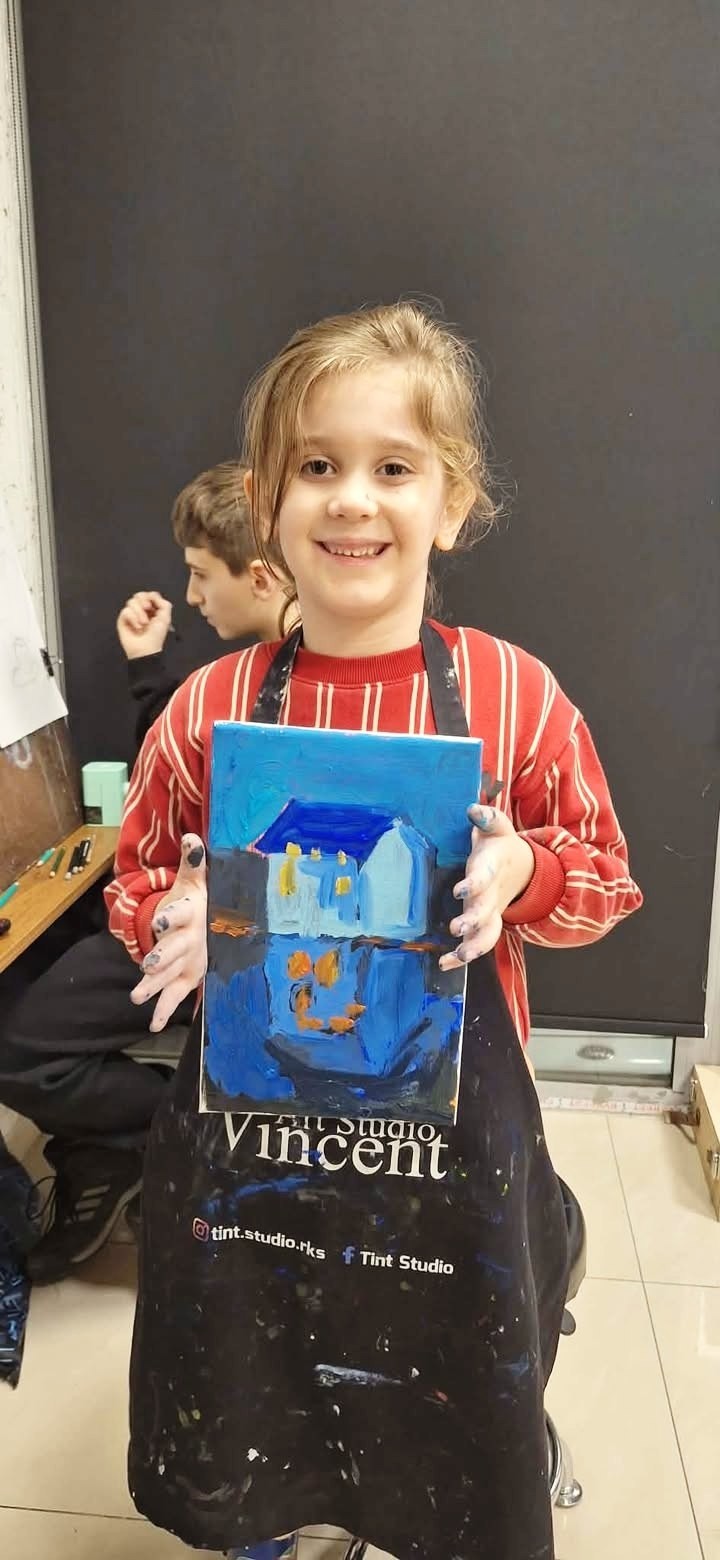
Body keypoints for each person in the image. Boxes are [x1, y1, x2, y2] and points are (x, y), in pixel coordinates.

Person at [106, 304, 642, 1560]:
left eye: (394, 467)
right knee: (265, 1361)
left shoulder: (514, 697)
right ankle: (280, 1517)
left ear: (452, 504)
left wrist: (521, 872)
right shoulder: (207, 709)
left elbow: (606, 883)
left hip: (448, 1144)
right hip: (258, 1140)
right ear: (266, 503)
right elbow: (134, 878)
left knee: (449, 1378)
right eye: (317, 465)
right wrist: (176, 913)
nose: (353, 498)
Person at [0, 463, 292, 1285]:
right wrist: (147, 665)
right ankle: (114, 1145)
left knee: (22, 1050)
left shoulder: (276, 690)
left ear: (258, 576)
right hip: (165, 899)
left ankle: (200, 1132)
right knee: (31, 999)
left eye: (201, 575)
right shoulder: (221, 687)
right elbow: (176, 771)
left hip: (222, 926)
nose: (192, 595)